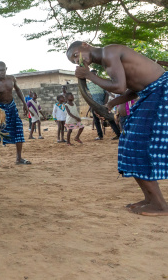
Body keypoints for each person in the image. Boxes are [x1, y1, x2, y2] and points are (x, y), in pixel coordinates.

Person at [67, 41, 168, 216]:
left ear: (85, 44)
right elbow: (135, 89)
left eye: (76, 55)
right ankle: (150, 199)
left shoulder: (109, 52)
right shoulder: (108, 63)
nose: (77, 61)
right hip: (150, 93)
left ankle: (160, 205)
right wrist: (111, 104)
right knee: (129, 147)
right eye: (74, 61)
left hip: (161, 92)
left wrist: (89, 76)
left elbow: (120, 87)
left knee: (137, 147)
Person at [0, 61, 30, 166]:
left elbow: (18, 90)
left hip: (12, 107)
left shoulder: (12, 79)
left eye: (2, 70)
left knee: (18, 128)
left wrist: (24, 104)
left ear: (6, 69)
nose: (0, 72)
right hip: (0, 109)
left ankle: (19, 158)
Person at [87, 70, 121, 140]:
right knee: (96, 121)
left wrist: (104, 104)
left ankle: (118, 134)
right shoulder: (89, 85)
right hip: (94, 106)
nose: (94, 76)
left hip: (102, 106)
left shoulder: (101, 83)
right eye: (92, 75)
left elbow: (106, 94)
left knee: (110, 119)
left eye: (95, 75)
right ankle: (100, 136)